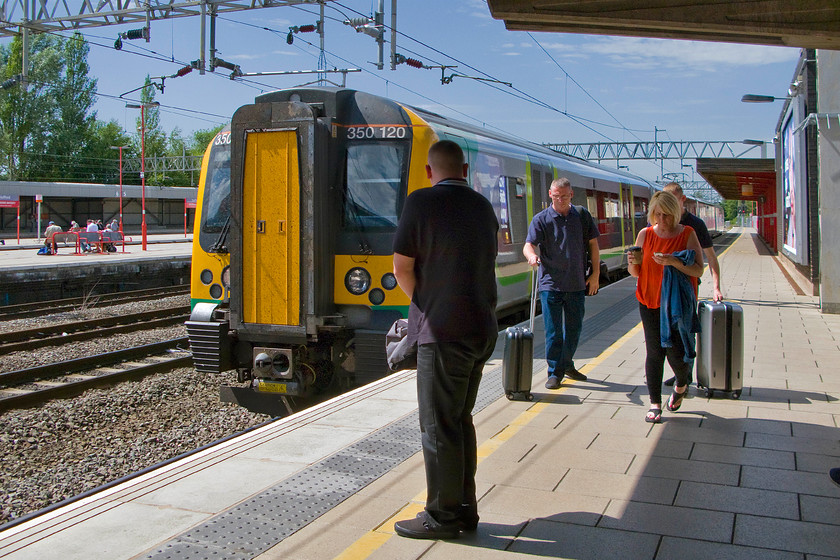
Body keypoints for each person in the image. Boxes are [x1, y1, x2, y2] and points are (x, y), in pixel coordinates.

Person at [391, 140, 498, 540]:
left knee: (437, 426)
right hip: (482, 327)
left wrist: (426, 302)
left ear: (429, 172)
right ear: (465, 170)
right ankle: (465, 509)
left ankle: (442, 516)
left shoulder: (421, 202)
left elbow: (402, 268)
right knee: (459, 421)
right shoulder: (483, 207)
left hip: (443, 331)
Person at [628, 191, 704, 423]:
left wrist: (673, 262)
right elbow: (636, 274)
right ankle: (655, 404)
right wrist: (632, 263)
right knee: (654, 352)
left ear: (676, 213)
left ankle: (681, 384)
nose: (662, 220)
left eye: (667, 215)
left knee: (676, 354)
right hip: (648, 301)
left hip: (676, 306)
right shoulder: (645, 234)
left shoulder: (688, 234)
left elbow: (699, 270)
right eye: (657, 215)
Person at [523, 178, 600, 389]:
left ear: (571, 194)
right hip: (550, 284)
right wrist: (531, 256)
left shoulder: (582, 216)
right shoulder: (541, 219)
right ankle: (554, 371)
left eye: (565, 196)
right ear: (550, 194)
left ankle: (567, 364)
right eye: (557, 196)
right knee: (554, 331)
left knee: (574, 329)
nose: (561, 200)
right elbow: (528, 245)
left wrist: (595, 275)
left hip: (576, 283)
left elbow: (593, 245)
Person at [662, 181, 723, 387]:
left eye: (671, 201)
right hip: (663, 289)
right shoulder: (661, 222)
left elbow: (711, 257)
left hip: (687, 286)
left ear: (682, 200)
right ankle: (682, 374)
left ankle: (686, 374)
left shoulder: (695, 224)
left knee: (685, 330)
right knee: (669, 332)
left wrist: (716, 287)